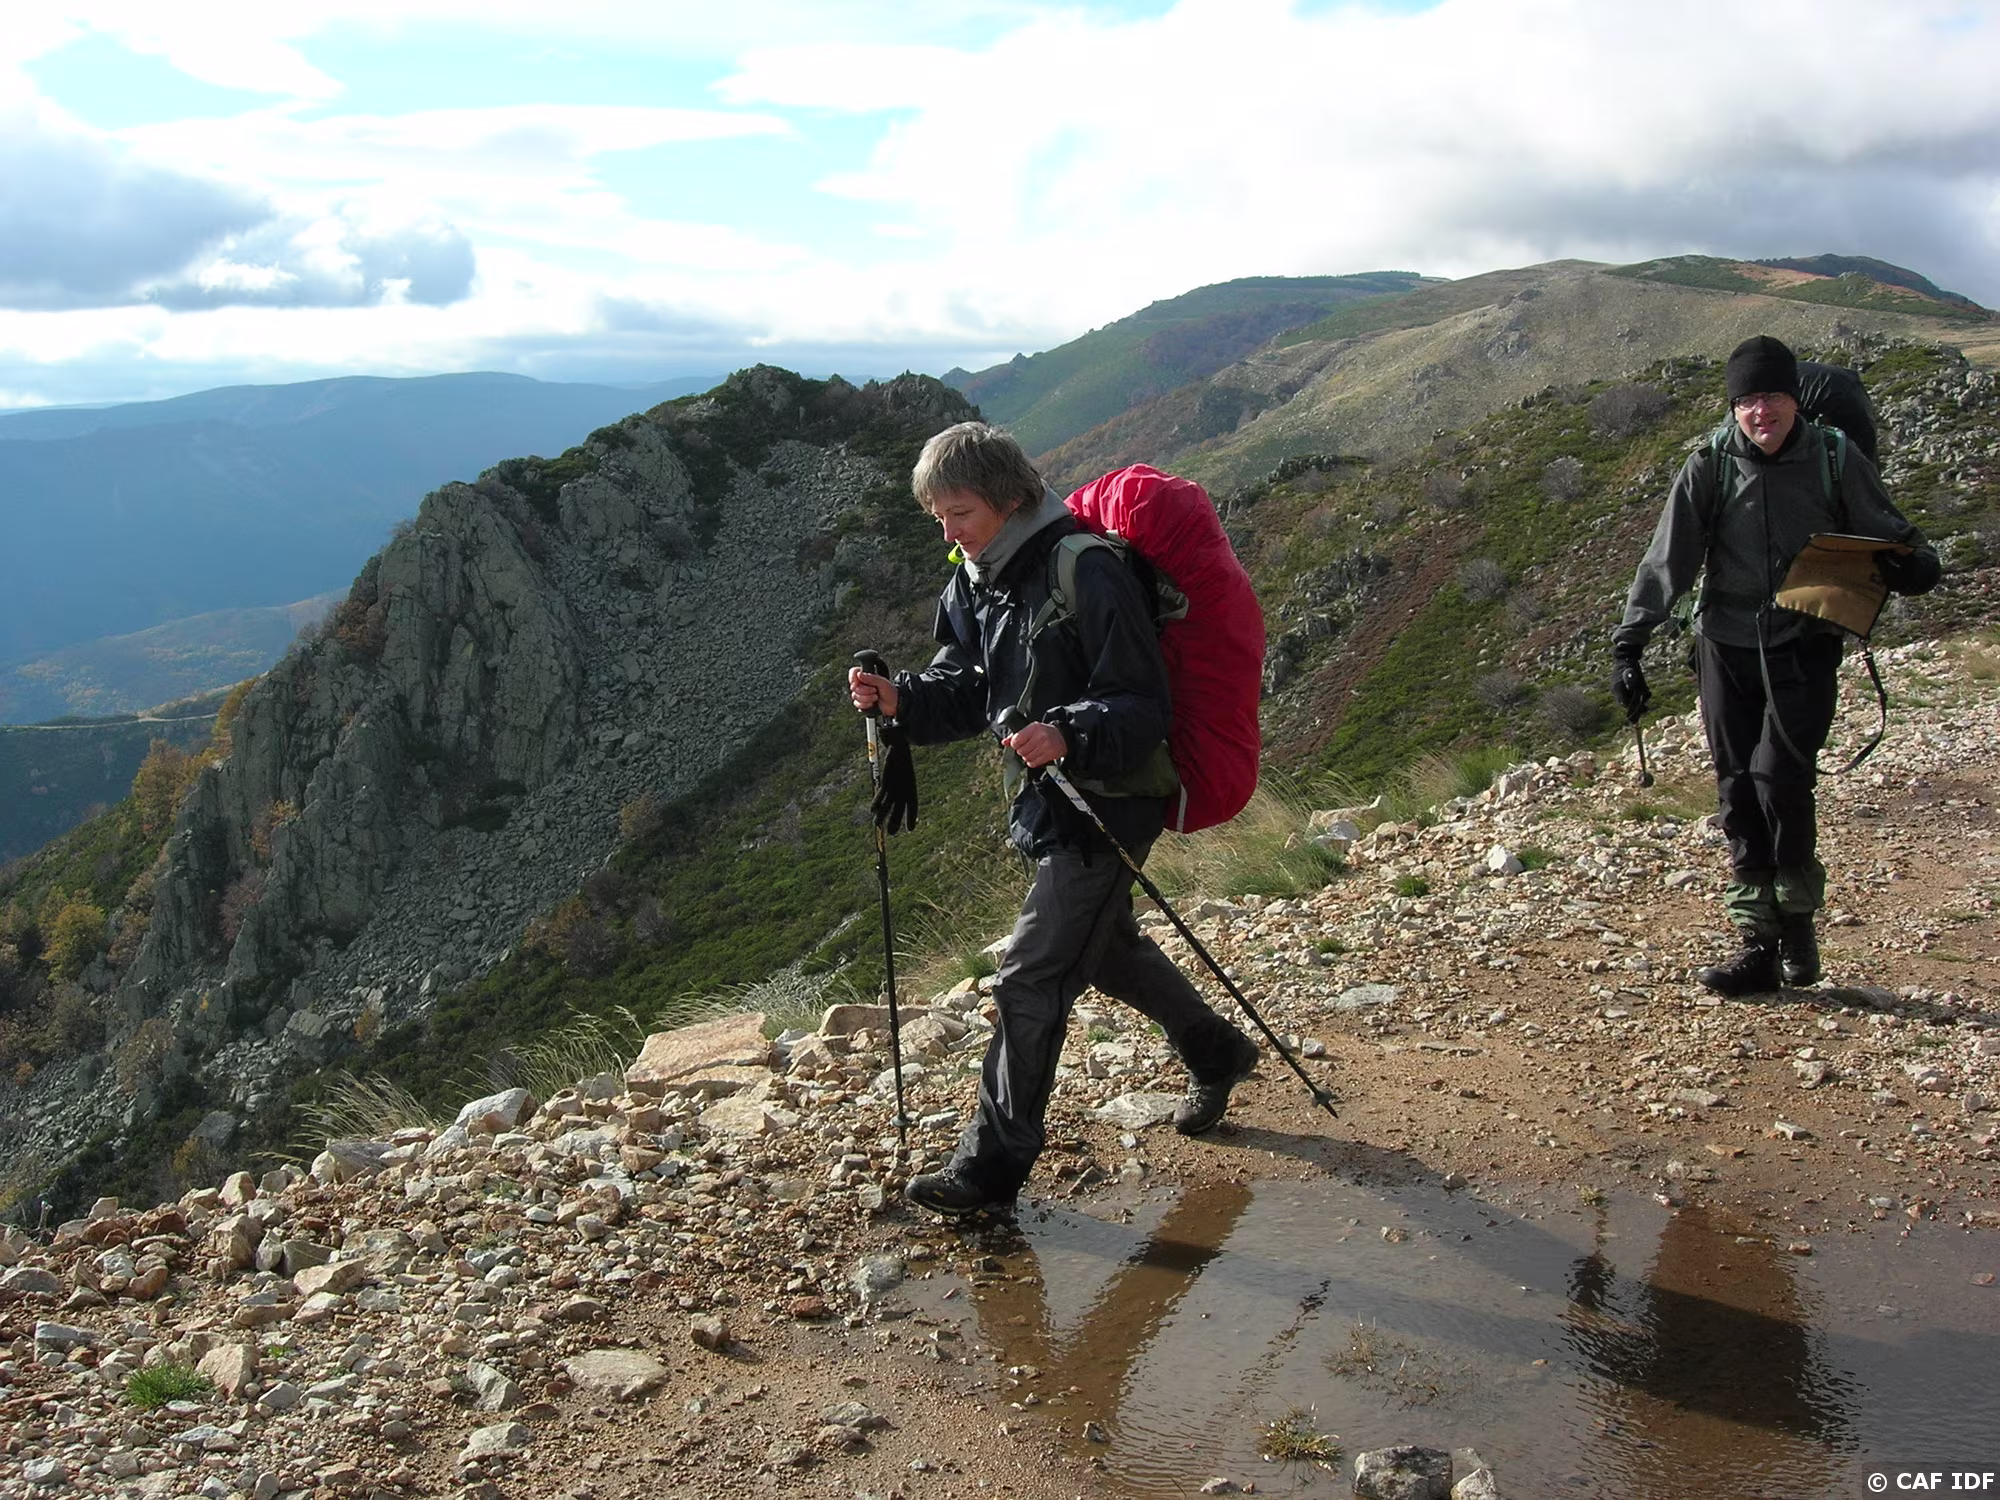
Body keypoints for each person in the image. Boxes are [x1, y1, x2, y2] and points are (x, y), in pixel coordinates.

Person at [848, 421, 1260, 1218]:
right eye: (937, 516)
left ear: (1009, 499)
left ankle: (989, 1173)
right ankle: (1218, 1052)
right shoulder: (977, 577)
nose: (948, 532)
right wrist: (901, 699)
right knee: (1103, 949)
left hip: (1112, 794)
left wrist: (1068, 730)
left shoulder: (1086, 568)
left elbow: (1141, 703)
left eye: (960, 513)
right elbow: (967, 686)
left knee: (1031, 974)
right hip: (1050, 796)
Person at [1611, 335, 1939, 996]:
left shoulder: (1835, 459)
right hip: (1724, 645)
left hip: (1803, 641)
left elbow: (1890, 530)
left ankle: (1797, 922)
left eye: (1773, 396)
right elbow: (1668, 558)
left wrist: (1916, 565)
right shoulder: (1709, 465)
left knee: (1779, 781)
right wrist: (1630, 643)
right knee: (1737, 789)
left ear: (1794, 400)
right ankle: (1757, 942)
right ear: (1734, 407)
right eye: (1748, 400)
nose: (1761, 411)